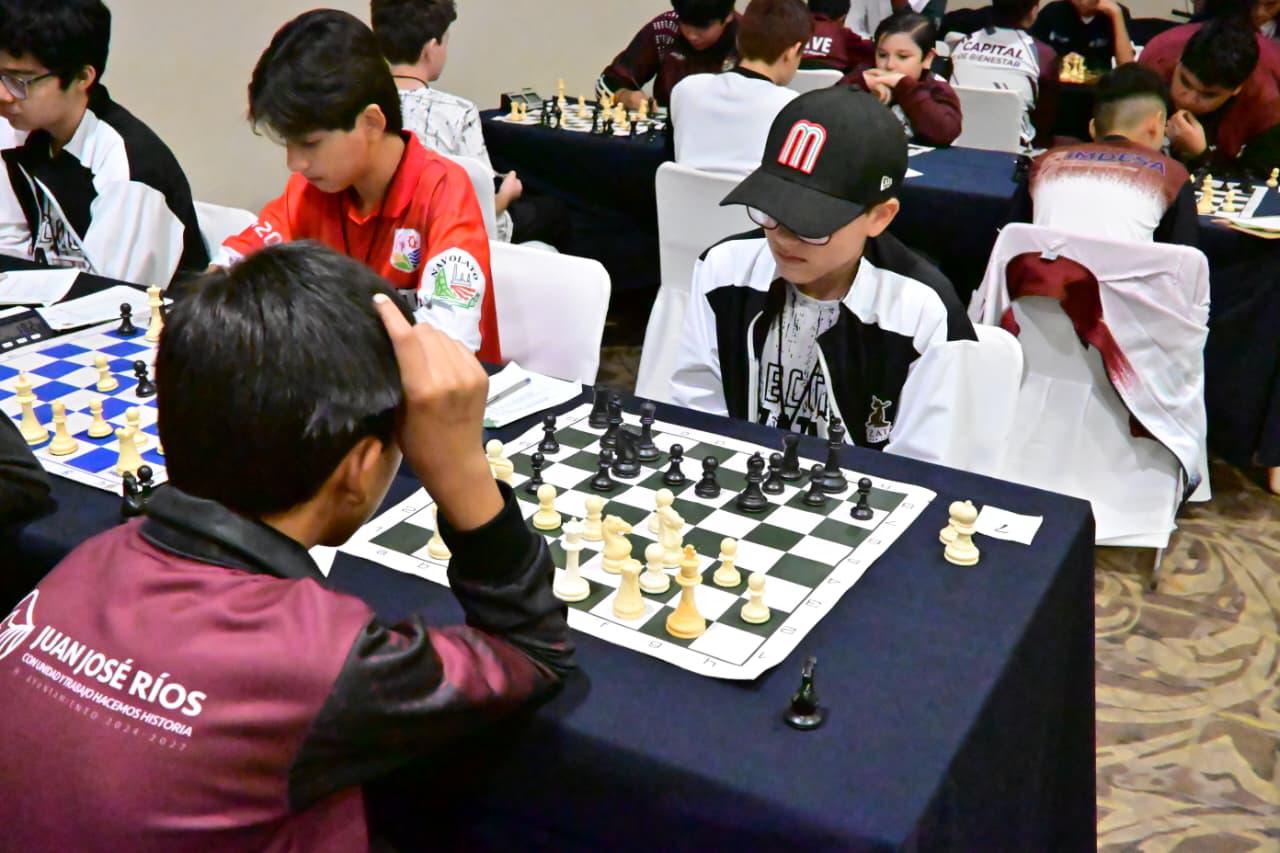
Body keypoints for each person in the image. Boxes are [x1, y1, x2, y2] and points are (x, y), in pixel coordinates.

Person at [0, 242, 574, 850]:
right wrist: (461, 468)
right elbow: (535, 652)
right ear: (359, 469)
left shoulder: (84, 563)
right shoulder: (321, 658)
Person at [671, 88, 978, 459]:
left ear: (879, 216)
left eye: (811, 225)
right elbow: (697, 407)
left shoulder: (925, 313)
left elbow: (923, 467)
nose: (782, 237)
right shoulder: (724, 268)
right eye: (771, 209)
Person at [213, 10, 501, 362]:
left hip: (442, 398)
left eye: (311, 143)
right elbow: (231, 269)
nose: (295, 163)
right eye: (288, 143)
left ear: (371, 122)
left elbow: (446, 345)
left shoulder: (444, 192)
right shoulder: (309, 190)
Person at [0, 0, 207, 284]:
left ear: (83, 77)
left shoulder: (129, 170)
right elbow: (10, 247)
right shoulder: (23, 131)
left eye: (19, 81)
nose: (4, 94)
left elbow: (111, 299)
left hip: (142, 319)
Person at [371, 0, 569, 250]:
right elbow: (481, 206)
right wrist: (507, 194)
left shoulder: (366, 108)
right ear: (431, 48)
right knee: (553, 211)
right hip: (453, 235)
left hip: (386, 237)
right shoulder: (459, 112)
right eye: (446, 40)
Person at [1011, 63, 1197, 245]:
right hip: (1124, 275)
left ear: (1092, 128)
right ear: (1155, 124)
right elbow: (1185, 262)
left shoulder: (1046, 163)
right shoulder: (1173, 175)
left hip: (1044, 274)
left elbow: (1007, 240)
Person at [670, 0, 808, 176]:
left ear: (738, 40)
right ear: (792, 52)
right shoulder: (793, 108)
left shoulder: (686, 90)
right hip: (751, 203)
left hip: (681, 203)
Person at [1140, 16, 1280, 172]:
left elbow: (1260, 178)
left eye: (1208, 95)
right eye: (1185, 82)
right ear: (1178, 61)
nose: (1188, 100)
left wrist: (1202, 156)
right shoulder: (1154, 62)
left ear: (1237, 89)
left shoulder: (1269, 103)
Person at [948, 0, 1060, 148]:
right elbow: (1045, 120)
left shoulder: (961, 44)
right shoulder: (1043, 54)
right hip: (1013, 150)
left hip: (954, 142)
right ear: (1033, 11)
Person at [844, 11, 963, 146]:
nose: (889, 65)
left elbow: (945, 133)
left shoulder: (937, 88)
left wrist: (904, 86)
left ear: (927, 58)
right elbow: (825, 114)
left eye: (903, 57)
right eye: (882, 55)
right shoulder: (866, 76)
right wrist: (860, 84)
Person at [597, 0, 740, 109]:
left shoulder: (748, 40)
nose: (691, 36)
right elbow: (606, 83)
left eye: (703, 27)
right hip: (667, 139)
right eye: (684, 22)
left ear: (728, 16)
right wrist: (625, 96)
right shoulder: (665, 29)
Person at [1031, 0, 1134, 73]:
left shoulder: (1116, 13)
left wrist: (1116, 15)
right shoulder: (1052, 12)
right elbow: (1031, 55)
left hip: (1099, 88)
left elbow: (1127, 68)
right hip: (1059, 87)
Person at [803, 0, 876, 71]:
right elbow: (872, 49)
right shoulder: (844, 35)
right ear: (843, 17)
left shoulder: (795, 29)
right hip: (834, 82)